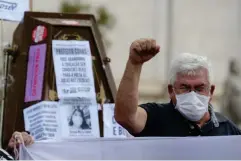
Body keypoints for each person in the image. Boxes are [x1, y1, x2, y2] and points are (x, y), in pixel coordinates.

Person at [114, 38, 241, 137]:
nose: (192, 94)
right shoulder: (157, 117)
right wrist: (134, 64)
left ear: (211, 91)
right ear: (171, 90)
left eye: (199, 88)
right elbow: (126, 117)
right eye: (185, 87)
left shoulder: (227, 129)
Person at [221, 59, 241, 126]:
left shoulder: (238, 78)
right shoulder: (229, 79)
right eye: (235, 65)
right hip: (233, 103)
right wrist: (224, 106)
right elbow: (226, 94)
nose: (238, 67)